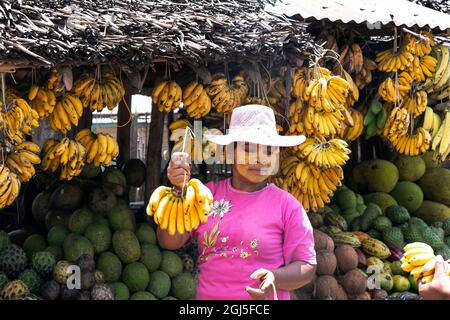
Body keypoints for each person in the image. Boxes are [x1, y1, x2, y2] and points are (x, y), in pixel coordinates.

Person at [157, 104, 317, 300]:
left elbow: (307, 266)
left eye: (268, 150)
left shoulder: (288, 206)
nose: (259, 159)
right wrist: (178, 192)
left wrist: (275, 277)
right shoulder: (206, 195)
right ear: (230, 151)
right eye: (248, 148)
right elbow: (169, 242)